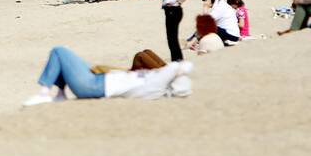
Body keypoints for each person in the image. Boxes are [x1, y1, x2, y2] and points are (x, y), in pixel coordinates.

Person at [21, 46, 192, 106]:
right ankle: (60, 94)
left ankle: (44, 93)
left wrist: (181, 72)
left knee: (59, 51)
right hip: (97, 83)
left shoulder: (158, 83)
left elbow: (179, 66)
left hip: (93, 85)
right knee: (73, 61)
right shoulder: (157, 87)